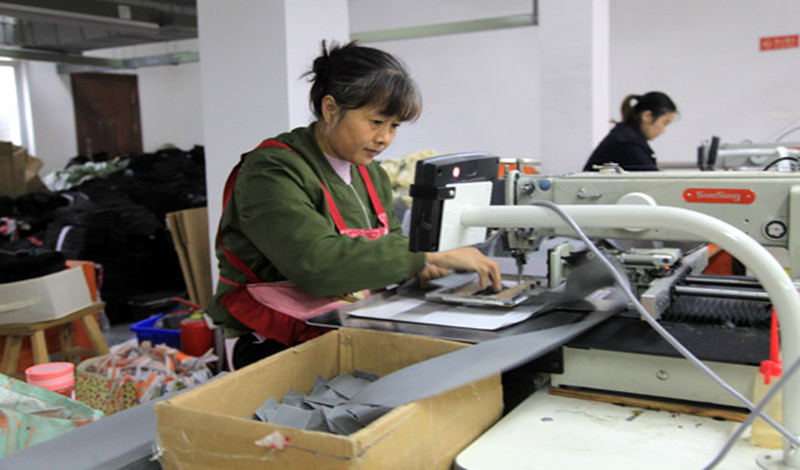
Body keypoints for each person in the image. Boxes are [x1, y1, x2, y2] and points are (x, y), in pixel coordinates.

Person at [207, 40, 502, 370]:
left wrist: (416, 268)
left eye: (394, 126)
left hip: (340, 318)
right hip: (269, 334)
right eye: (376, 122)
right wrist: (424, 256)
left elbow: (388, 244)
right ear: (331, 109)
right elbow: (317, 265)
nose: (385, 138)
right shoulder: (272, 171)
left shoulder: (370, 174)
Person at [583, 91, 678, 171]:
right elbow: (653, 178)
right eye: (665, 123)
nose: (663, 130)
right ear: (647, 116)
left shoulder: (627, 135)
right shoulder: (627, 142)